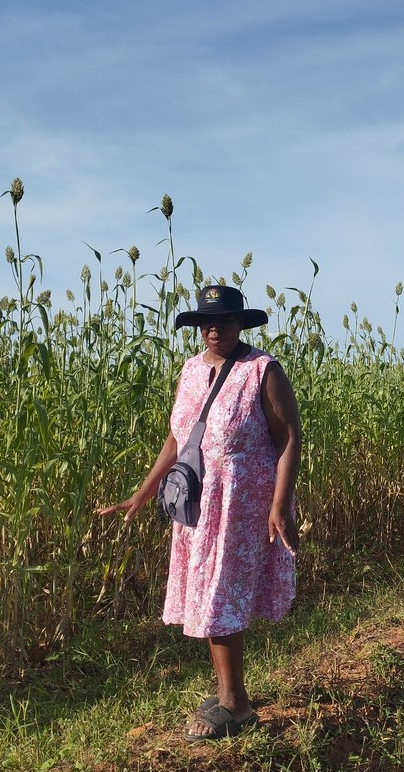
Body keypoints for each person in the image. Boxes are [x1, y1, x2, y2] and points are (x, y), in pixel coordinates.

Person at [98, 284, 301, 741]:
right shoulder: (190, 370)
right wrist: (142, 493)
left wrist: (279, 504)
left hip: (241, 505)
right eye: (207, 322)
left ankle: (235, 705)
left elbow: (289, 437)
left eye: (225, 321)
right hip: (198, 504)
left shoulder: (262, 370)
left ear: (240, 323)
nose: (216, 330)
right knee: (210, 595)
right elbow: (179, 437)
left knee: (218, 596)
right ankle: (230, 693)